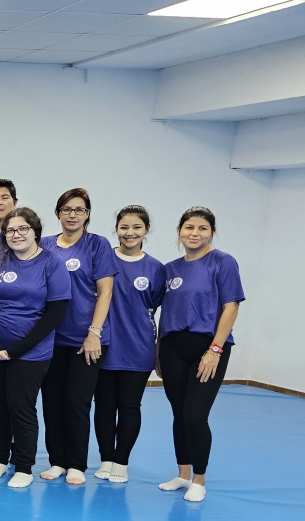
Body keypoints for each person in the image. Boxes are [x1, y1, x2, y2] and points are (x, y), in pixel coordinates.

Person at [0, 208, 70, 488]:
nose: (16, 235)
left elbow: (55, 313)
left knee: (21, 407)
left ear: (35, 231)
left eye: (22, 229)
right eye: (10, 230)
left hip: (31, 352)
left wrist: (17, 349)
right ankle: (0, 459)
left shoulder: (51, 263)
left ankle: (24, 466)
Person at [156, 207, 244, 503]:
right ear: (179, 231)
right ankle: (182, 474)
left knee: (195, 415)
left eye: (202, 228)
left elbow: (231, 307)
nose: (195, 233)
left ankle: (199, 479)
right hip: (172, 347)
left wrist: (215, 350)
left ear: (212, 233)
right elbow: (162, 312)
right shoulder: (169, 269)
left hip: (207, 346)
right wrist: (158, 351)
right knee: (178, 414)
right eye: (189, 227)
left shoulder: (222, 262)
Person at [38, 188, 118, 486]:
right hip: (50, 339)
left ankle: (76, 464)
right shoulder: (44, 245)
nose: (73, 215)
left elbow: (105, 291)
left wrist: (94, 333)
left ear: (87, 214)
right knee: (52, 401)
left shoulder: (97, 245)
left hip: (86, 339)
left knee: (77, 401)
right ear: (58, 212)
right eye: (67, 209)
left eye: (79, 210)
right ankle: (56, 460)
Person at [93, 206, 165, 484]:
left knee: (130, 406)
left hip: (139, 346)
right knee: (104, 405)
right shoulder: (104, 258)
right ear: (116, 229)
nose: (130, 233)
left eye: (136, 227)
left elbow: (157, 306)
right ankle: (106, 459)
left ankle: (121, 461)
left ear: (146, 230)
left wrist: (159, 347)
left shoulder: (156, 268)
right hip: (105, 344)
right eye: (124, 227)